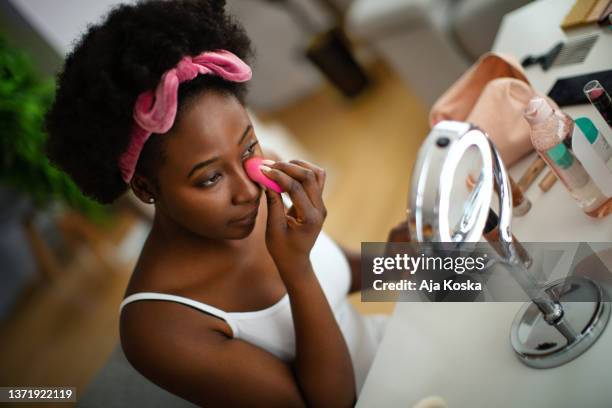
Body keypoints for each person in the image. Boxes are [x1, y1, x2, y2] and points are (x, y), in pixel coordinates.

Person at [45, 1, 406, 406]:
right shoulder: (156, 326)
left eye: (247, 145)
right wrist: (296, 269)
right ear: (146, 188)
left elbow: (346, 276)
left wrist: (413, 259)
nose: (248, 191)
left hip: (400, 354)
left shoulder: (257, 179)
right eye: (209, 177)